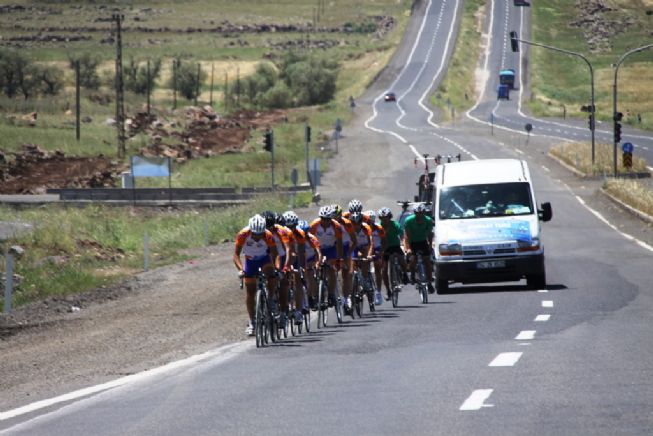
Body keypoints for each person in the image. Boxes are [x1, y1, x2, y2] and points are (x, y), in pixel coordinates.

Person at [233, 215, 279, 336]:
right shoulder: (243, 234)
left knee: (271, 274)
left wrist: (277, 268)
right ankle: (252, 321)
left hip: (265, 260)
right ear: (250, 230)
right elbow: (236, 255)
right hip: (250, 261)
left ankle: (271, 298)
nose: (257, 237)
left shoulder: (268, 235)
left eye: (260, 234)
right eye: (255, 234)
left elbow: (275, 254)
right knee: (250, 292)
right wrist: (241, 270)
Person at [262, 211, 294, 328]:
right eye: (266, 227)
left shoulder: (281, 231)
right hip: (266, 255)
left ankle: (283, 312)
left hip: (281, 255)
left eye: (271, 227)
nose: (268, 230)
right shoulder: (260, 231)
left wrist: (284, 268)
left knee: (283, 282)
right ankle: (262, 305)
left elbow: (287, 250)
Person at [309, 205, 344, 307]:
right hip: (317, 249)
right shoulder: (314, 225)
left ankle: (331, 294)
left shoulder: (336, 226)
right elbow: (309, 240)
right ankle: (315, 295)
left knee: (331, 270)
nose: (325, 221)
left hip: (330, 249)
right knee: (315, 270)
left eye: (327, 219)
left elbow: (340, 243)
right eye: (323, 219)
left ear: (330, 219)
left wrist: (339, 258)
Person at [403, 203, 435, 293]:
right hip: (412, 242)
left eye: (421, 213)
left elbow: (430, 234)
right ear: (414, 213)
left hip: (423, 241)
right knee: (413, 259)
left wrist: (429, 246)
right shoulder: (409, 221)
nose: (419, 215)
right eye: (417, 213)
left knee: (427, 262)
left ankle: (429, 283)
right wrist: (408, 248)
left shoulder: (428, 220)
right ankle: (412, 274)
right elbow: (406, 236)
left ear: (424, 213)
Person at [332, 204, 358, 314]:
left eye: (337, 217)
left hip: (346, 247)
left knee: (346, 274)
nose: (335, 219)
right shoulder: (330, 224)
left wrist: (348, 253)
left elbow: (355, 241)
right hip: (333, 247)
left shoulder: (347, 224)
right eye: (333, 217)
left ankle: (346, 298)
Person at [378, 206, 408, 300]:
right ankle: (388, 290)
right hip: (384, 248)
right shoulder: (379, 227)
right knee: (384, 270)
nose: (384, 220)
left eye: (386, 218)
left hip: (395, 246)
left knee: (401, 259)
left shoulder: (395, 225)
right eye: (382, 218)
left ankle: (405, 274)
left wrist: (404, 245)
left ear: (389, 217)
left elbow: (402, 235)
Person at [350, 212, 375, 310]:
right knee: (351, 267)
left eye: (358, 222)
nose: (356, 225)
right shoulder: (349, 229)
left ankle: (366, 282)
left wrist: (368, 255)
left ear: (361, 222)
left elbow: (371, 244)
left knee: (364, 263)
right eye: (354, 223)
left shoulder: (366, 228)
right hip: (355, 248)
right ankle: (353, 286)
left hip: (364, 247)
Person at [298, 219, 322, 310]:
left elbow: (318, 252)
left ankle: (312, 297)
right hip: (300, 259)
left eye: (305, 233)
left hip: (311, 259)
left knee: (311, 276)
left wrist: (317, 263)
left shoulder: (312, 238)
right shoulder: (295, 238)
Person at [365, 209, 385, 300]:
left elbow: (384, 242)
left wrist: (380, 252)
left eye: (370, 222)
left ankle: (378, 292)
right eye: (367, 222)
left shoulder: (379, 228)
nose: (369, 224)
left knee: (378, 267)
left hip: (377, 248)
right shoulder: (363, 228)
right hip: (367, 248)